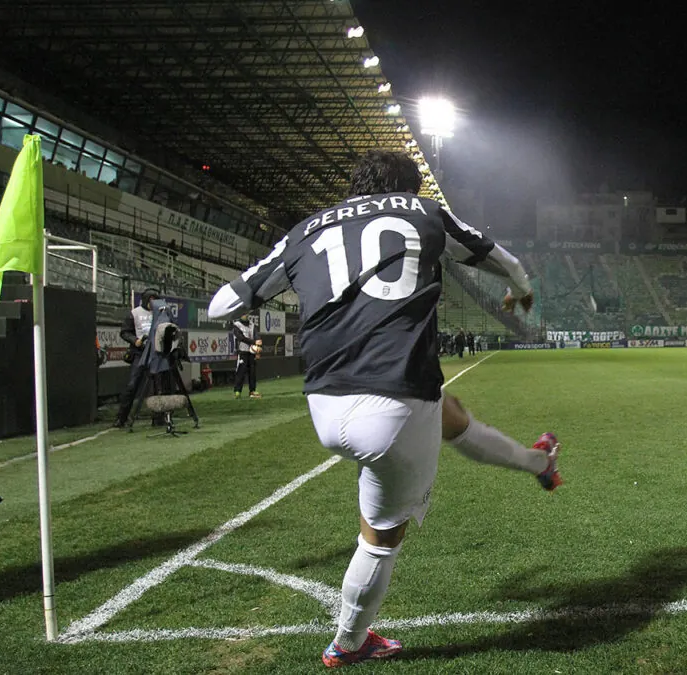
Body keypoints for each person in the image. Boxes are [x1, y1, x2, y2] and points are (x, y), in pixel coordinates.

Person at [207, 149, 560, 668]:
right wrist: (521, 291)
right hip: (394, 399)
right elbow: (500, 258)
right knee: (381, 537)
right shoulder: (423, 212)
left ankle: (540, 463)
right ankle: (350, 641)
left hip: (326, 402)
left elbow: (222, 304)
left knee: (449, 412)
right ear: (410, 188)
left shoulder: (306, 230)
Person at [112, 288, 160, 427]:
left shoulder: (161, 312)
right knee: (132, 385)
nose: (152, 303)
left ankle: (158, 417)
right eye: (150, 300)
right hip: (140, 352)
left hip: (156, 353)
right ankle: (121, 418)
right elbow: (124, 332)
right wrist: (134, 340)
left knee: (157, 386)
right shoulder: (135, 313)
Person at [231, 314, 262, 399]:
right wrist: (254, 342)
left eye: (246, 313)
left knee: (252, 372)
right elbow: (241, 338)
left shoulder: (252, 325)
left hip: (251, 352)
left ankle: (252, 391)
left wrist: (258, 348)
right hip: (242, 352)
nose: (245, 315)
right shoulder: (236, 325)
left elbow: (257, 336)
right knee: (241, 372)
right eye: (244, 314)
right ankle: (237, 391)